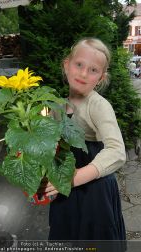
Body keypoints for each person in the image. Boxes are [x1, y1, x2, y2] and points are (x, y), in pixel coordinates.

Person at [40, 37, 127, 245]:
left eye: (93, 70)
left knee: (92, 238)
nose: (84, 73)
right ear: (66, 64)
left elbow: (117, 151)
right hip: (66, 185)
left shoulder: (98, 106)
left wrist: (73, 179)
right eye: (79, 64)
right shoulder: (58, 106)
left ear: (101, 78)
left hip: (94, 189)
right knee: (68, 231)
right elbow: (51, 142)